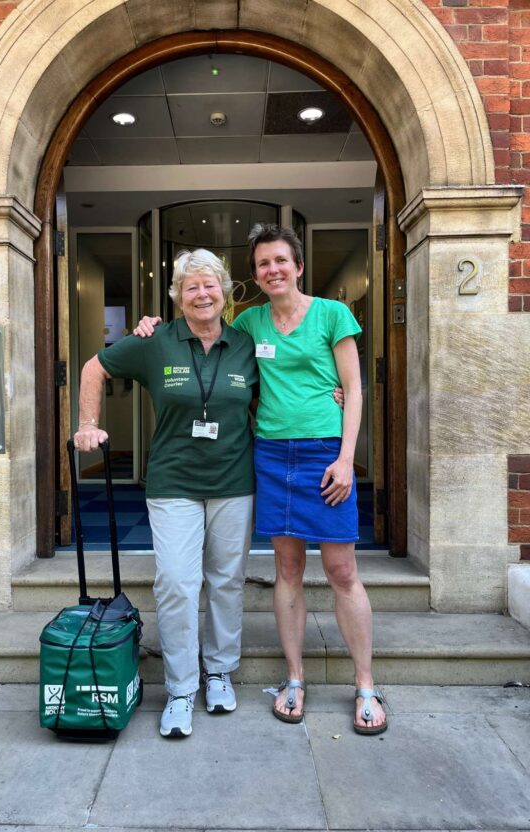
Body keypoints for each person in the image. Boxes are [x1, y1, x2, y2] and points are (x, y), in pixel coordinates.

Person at [134, 223, 388, 735]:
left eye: (281, 260)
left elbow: (354, 390)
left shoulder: (332, 315)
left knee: (342, 571)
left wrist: (346, 457)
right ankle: (294, 678)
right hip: (270, 454)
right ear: (254, 276)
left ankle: (365, 683)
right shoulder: (248, 322)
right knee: (287, 570)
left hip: (324, 454)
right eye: (263, 264)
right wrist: (152, 326)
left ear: (297, 265)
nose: (273, 269)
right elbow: (207, 337)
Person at [73, 249, 258, 738]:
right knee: (177, 582)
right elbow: (94, 368)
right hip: (173, 482)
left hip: (234, 482)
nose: (201, 293)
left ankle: (218, 672)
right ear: (177, 296)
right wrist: (87, 425)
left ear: (224, 292)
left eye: (210, 285)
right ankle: (180, 688)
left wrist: (334, 392)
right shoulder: (154, 341)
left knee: (227, 581)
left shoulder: (245, 343)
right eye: (190, 287)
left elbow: (286, 381)